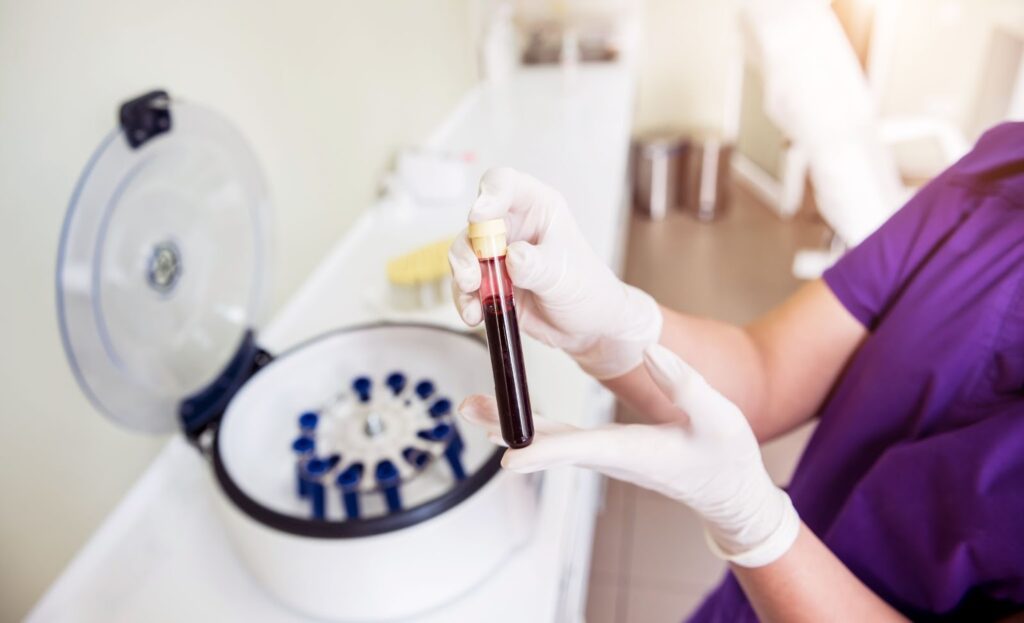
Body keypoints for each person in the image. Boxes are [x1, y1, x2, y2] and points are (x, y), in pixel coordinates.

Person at [448, 122, 1024, 621]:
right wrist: (613, 327)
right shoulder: (1004, 173)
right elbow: (765, 373)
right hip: (747, 601)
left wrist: (758, 526)